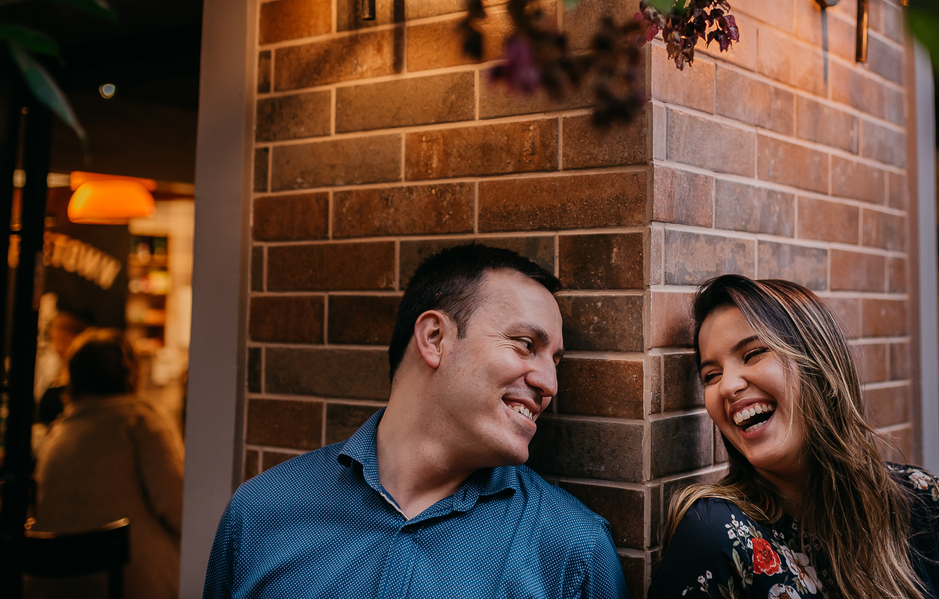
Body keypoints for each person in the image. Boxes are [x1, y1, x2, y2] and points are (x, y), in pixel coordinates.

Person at [203, 243, 629, 598]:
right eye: (524, 344)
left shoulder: (572, 551)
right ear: (434, 338)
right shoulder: (262, 511)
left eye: (554, 360)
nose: (549, 382)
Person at [650, 275, 939, 599]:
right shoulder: (715, 536)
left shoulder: (927, 504)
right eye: (711, 376)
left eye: (753, 353)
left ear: (822, 368)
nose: (728, 386)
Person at [30, 329, 185, 599]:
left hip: (55, 585)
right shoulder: (140, 422)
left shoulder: (58, 433)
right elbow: (178, 508)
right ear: (129, 371)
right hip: (128, 583)